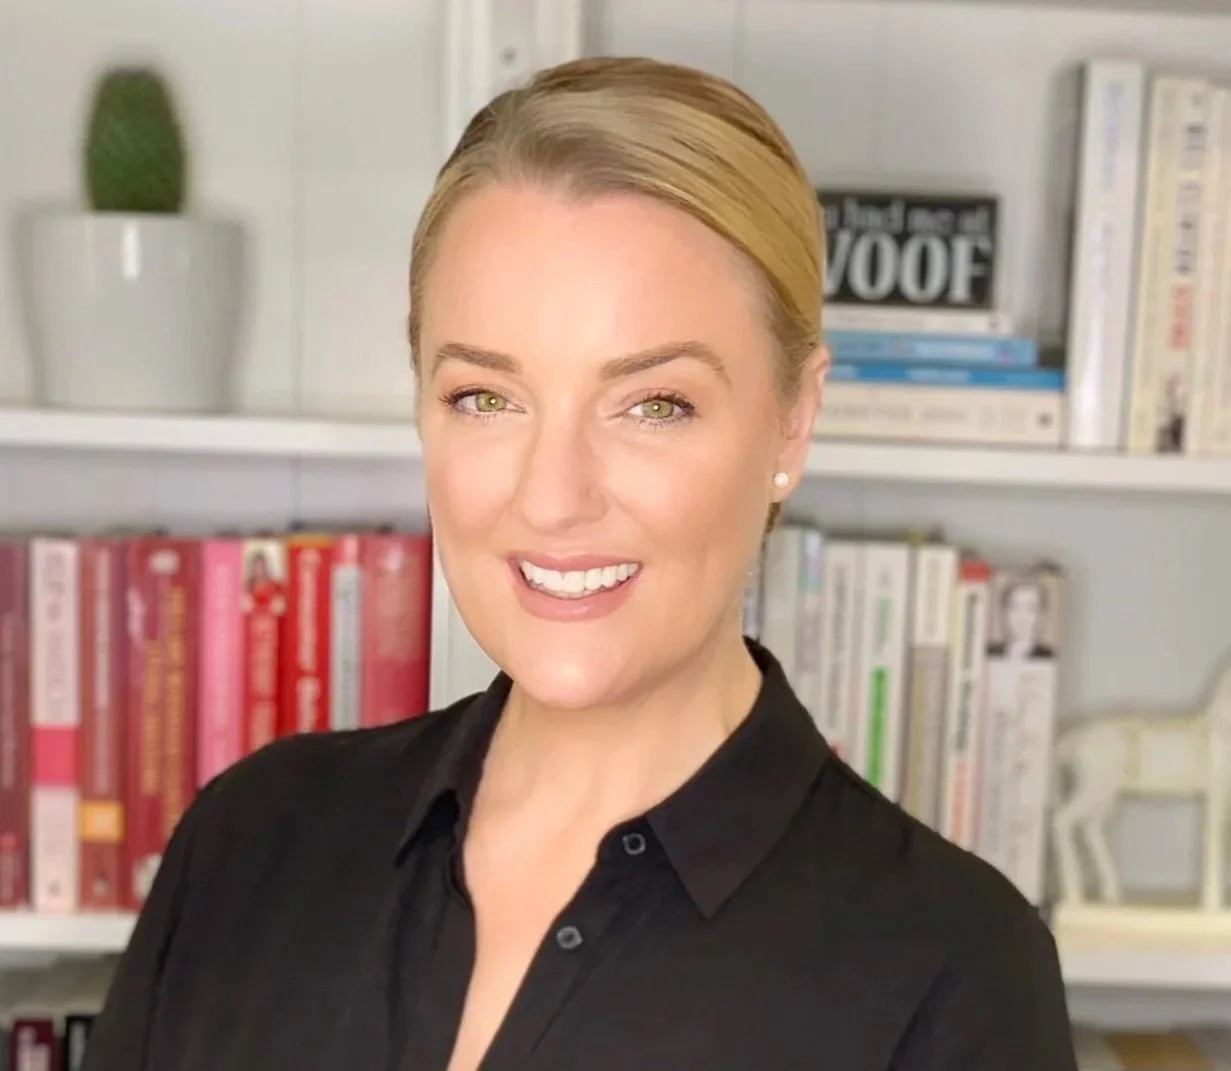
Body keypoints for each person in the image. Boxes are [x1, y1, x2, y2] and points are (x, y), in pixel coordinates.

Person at [81, 56, 1077, 1070]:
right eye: (485, 397)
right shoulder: (251, 843)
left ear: (790, 423)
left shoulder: (952, 970)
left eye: (653, 404)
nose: (552, 496)